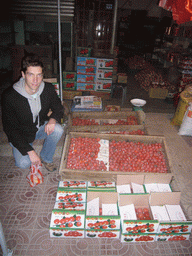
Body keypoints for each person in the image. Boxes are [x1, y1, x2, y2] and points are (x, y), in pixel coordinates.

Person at [1, 54, 64, 172]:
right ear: (23, 75)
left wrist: (52, 119)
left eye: (39, 75)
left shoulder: (48, 89)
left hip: (39, 128)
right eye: (31, 75)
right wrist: (30, 151)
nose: (36, 80)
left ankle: (46, 157)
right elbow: (10, 129)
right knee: (24, 163)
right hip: (21, 135)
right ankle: (19, 147)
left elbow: (58, 107)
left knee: (58, 129)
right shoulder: (10, 96)